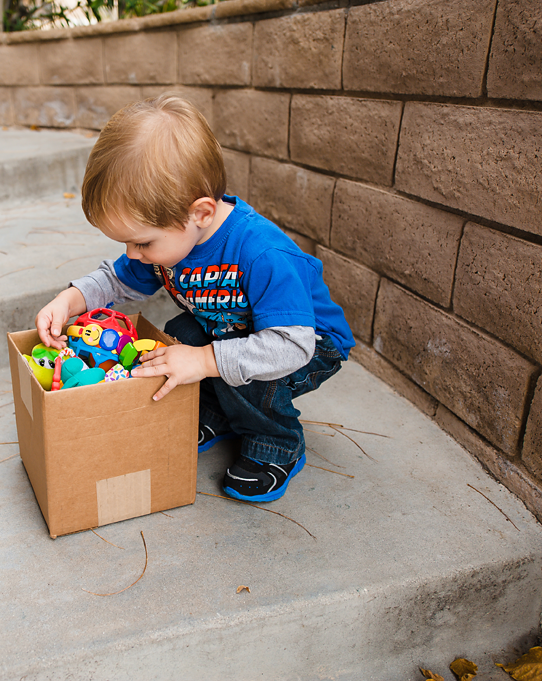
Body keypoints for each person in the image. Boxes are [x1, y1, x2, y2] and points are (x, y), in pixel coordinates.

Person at [34, 94, 354, 503]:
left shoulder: (261, 254)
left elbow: (291, 345)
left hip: (303, 344)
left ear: (200, 213)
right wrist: (71, 298)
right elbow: (116, 280)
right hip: (234, 329)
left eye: (142, 242)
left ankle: (276, 440)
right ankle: (220, 410)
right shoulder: (171, 236)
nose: (133, 254)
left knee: (241, 368)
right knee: (179, 333)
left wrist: (206, 361)